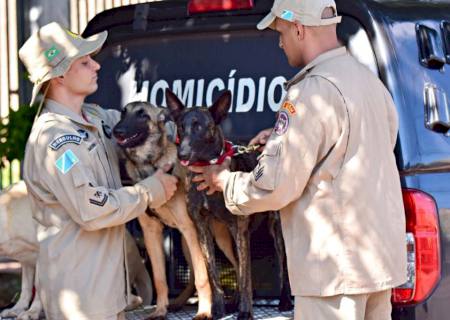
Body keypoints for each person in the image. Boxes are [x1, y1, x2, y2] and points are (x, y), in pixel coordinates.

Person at [189, 0, 407, 319]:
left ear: (299, 28)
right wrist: (282, 139)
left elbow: (277, 185)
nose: (279, 42)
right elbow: (367, 146)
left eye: (281, 32)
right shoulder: (369, 81)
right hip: (375, 267)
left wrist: (226, 182)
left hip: (332, 275)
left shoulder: (310, 92)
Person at [18, 22, 178, 320]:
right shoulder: (56, 141)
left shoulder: (94, 118)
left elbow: (153, 128)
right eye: (84, 61)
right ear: (60, 76)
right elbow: (93, 210)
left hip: (109, 295)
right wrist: (150, 192)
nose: (96, 66)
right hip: (81, 302)